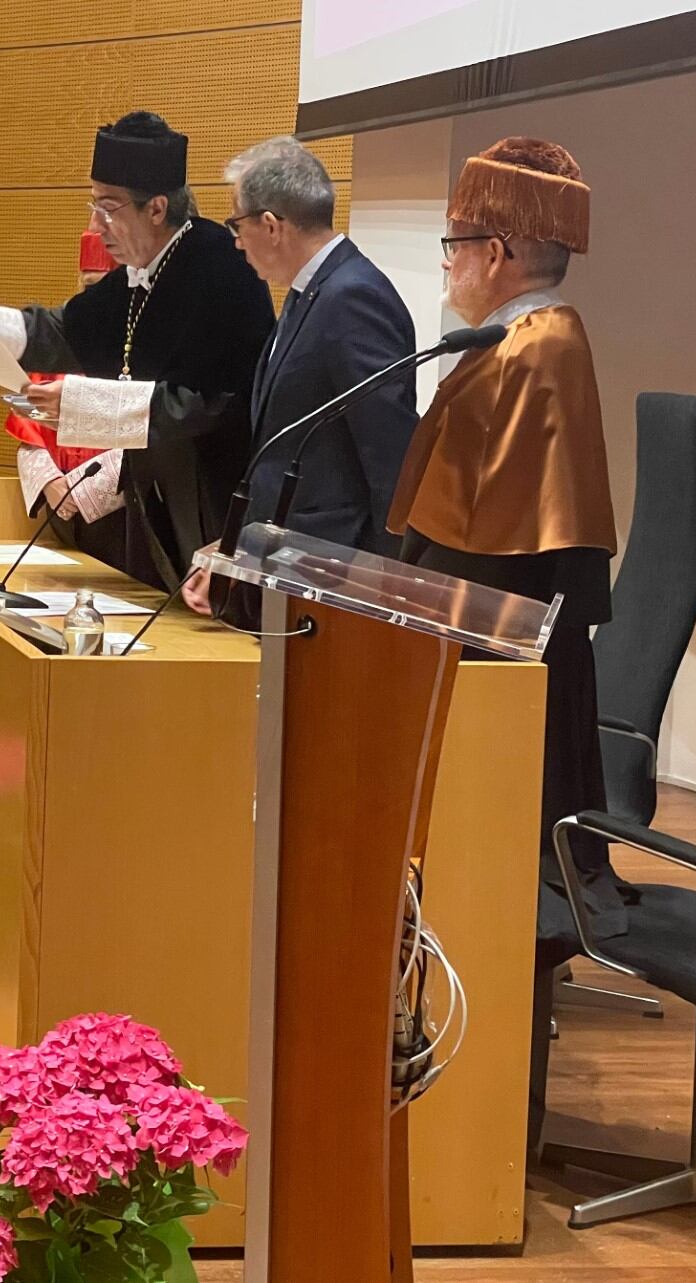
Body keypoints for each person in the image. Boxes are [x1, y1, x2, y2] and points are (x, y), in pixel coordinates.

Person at [385, 136, 618, 1149]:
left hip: (506, 668)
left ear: (507, 248)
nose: (448, 259)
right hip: (499, 645)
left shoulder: (534, 353)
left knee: (504, 876)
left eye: (457, 241)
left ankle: (487, 1124)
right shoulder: (517, 344)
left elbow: (490, 551)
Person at [0, 112, 274, 589]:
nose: (94, 225)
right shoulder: (140, 272)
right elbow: (57, 333)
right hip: (163, 514)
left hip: (221, 517)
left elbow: (206, 404)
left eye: (107, 207)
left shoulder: (220, 268)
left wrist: (83, 405)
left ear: (157, 208)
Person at [180, 136, 418, 614]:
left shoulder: (352, 298)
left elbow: (388, 456)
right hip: (286, 567)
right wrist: (233, 549)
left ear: (270, 225)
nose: (235, 239)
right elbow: (280, 456)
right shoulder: (310, 292)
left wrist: (387, 588)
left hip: (334, 575)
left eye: (237, 224)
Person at [1, 232, 129, 569]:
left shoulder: (143, 353)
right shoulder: (61, 346)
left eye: (104, 287)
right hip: (60, 513)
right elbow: (28, 431)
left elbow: (150, 430)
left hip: (123, 519)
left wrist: (82, 491)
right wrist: (51, 483)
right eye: (89, 287)